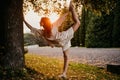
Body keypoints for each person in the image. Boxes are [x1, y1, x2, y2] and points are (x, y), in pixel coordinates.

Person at [24, 1, 80, 78]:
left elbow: (61, 18)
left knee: (78, 23)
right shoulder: (43, 32)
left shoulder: (53, 25)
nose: (39, 22)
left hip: (64, 37)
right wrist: (24, 20)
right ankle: (64, 74)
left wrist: (69, 11)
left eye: (40, 21)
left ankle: (72, 8)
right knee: (66, 56)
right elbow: (31, 28)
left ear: (43, 23)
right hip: (62, 43)